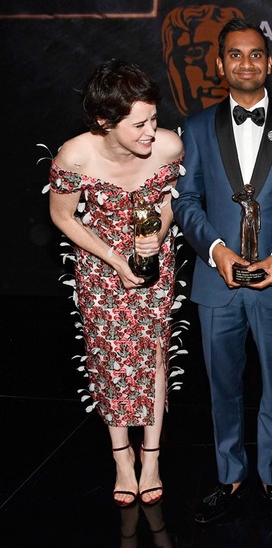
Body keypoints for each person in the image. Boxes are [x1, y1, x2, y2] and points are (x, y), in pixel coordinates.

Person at [171, 18, 272, 524]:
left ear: (269, 62)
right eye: (235, 54)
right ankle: (229, 474)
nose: (245, 63)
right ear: (220, 64)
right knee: (222, 387)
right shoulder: (194, 128)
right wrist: (216, 250)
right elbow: (188, 200)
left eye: (255, 54)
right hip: (217, 282)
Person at [49, 60, 183, 507]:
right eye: (140, 123)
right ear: (106, 122)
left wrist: (155, 238)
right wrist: (114, 258)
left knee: (154, 356)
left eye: (154, 120)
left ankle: (152, 458)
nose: (151, 131)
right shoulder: (74, 155)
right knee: (110, 363)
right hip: (100, 270)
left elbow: (167, 203)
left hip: (153, 266)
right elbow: (62, 216)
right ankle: (122, 458)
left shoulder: (167, 148)